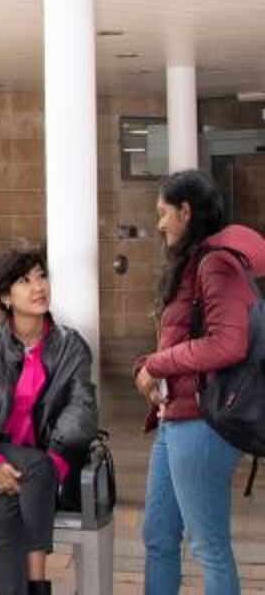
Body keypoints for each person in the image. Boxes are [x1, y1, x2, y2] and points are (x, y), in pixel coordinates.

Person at [0, 245, 98, 595]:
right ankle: (38, 583)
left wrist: (51, 469)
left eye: (42, 276)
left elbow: (80, 413)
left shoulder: (71, 348)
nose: (38, 287)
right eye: (25, 280)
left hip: (39, 472)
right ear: (5, 296)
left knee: (7, 511)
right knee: (33, 470)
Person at [133, 169, 265, 595]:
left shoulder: (216, 264)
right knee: (158, 537)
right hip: (175, 420)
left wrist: (157, 364)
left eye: (164, 213)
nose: (160, 224)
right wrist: (149, 365)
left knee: (208, 547)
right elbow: (183, 336)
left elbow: (228, 344)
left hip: (203, 425)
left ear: (186, 211)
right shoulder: (192, 263)